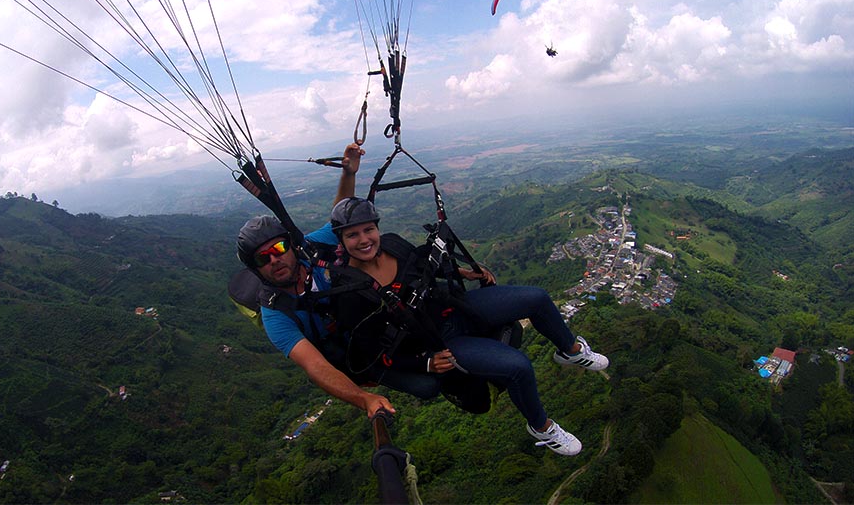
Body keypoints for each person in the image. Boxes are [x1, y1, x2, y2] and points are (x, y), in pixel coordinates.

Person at [327, 196, 610, 456]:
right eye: (353, 234)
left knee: (537, 298)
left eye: (368, 230)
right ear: (341, 239)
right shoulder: (351, 292)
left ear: (377, 228)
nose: (364, 240)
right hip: (440, 343)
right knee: (519, 367)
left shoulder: (392, 244)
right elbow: (372, 353)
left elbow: (425, 268)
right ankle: (542, 426)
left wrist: (465, 272)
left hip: (456, 309)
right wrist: (424, 364)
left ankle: (571, 351)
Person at [234, 143, 396, 418]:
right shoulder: (276, 314)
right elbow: (314, 366)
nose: (275, 260)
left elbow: (339, 220)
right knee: (425, 386)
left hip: (377, 328)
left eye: (279, 250)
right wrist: (363, 399)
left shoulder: (310, 248)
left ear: (292, 246)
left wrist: (348, 174)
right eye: (263, 259)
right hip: (355, 360)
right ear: (255, 269)